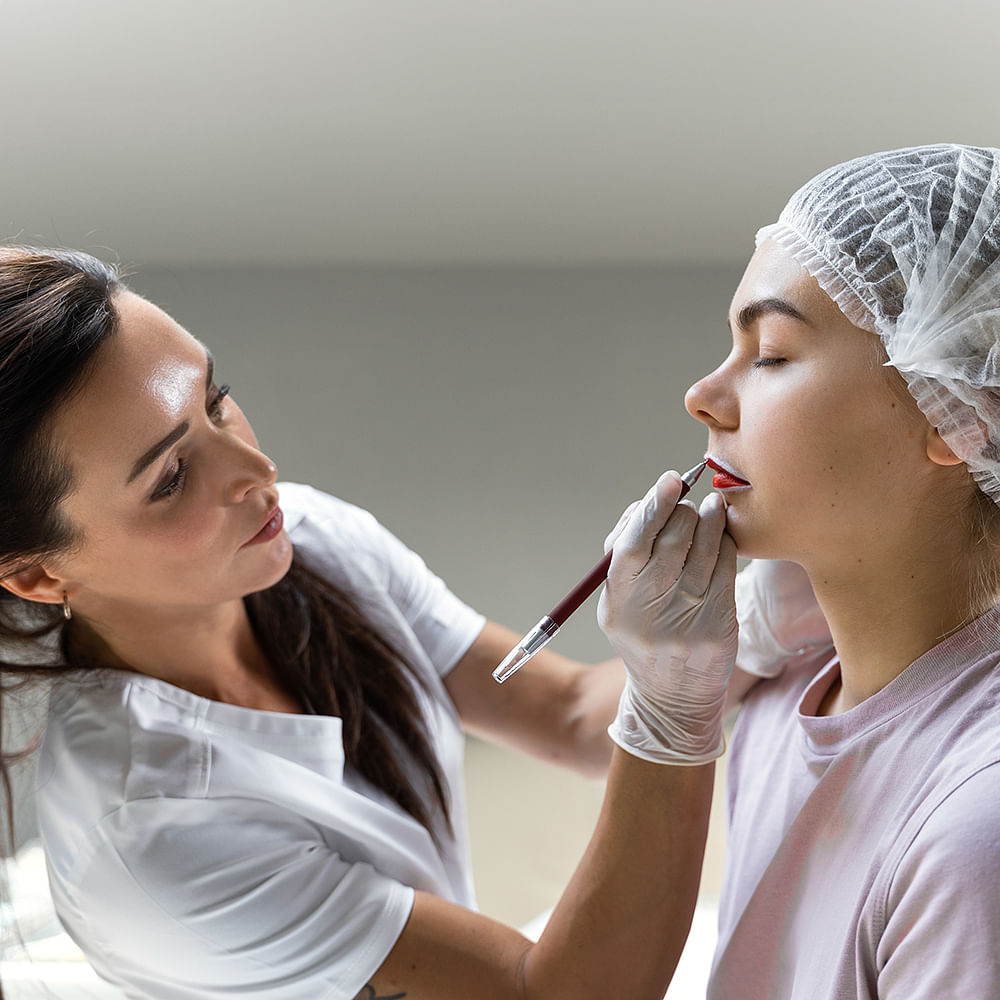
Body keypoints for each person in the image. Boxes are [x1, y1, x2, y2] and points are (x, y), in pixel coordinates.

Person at [0, 245, 760, 1000]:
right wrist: (672, 696)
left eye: (215, 399)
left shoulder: (311, 542)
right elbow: (564, 992)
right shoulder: (156, 839)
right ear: (39, 574)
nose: (255, 473)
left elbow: (566, 716)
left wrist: (781, 593)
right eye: (170, 478)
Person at [683, 143, 1000, 998]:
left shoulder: (979, 828)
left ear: (955, 412)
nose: (703, 397)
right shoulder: (786, 697)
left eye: (773, 353)